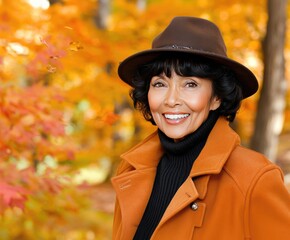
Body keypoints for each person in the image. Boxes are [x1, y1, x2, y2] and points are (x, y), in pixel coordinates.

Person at [111, 16, 290, 240]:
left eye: (190, 84)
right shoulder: (131, 170)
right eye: (159, 84)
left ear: (216, 97)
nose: (171, 99)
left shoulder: (254, 179)